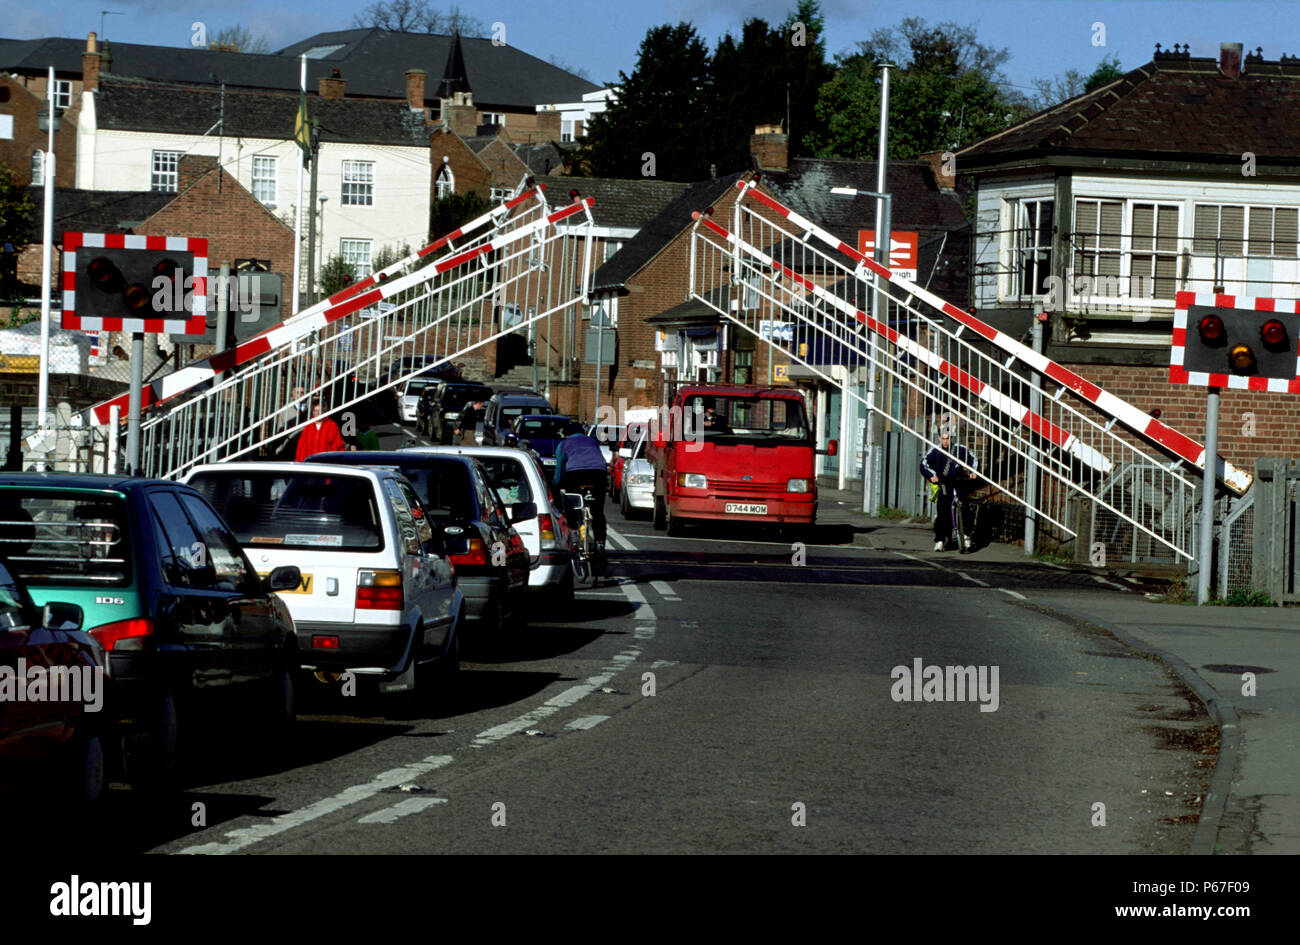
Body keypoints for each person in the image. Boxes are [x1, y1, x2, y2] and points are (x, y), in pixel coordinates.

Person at [553, 421, 608, 548]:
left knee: (572, 506)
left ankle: (573, 533)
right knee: (598, 511)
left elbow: (559, 471)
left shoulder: (563, 444)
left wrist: (556, 485)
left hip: (576, 474)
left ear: (566, 434)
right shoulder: (592, 441)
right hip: (599, 473)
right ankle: (600, 543)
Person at [920, 431, 978, 551]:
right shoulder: (935, 451)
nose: (945, 441)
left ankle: (966, 535)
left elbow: (973, 458)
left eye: (948, 439)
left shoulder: (959, 449)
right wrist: (931, 475)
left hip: (958, 482)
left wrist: (973, 471)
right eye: (943, 438)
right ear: (940, 438)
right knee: (942, 509)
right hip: (944, 483)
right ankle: (940, 539)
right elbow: (924, 464)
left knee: (964, 506)